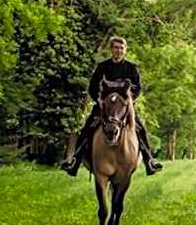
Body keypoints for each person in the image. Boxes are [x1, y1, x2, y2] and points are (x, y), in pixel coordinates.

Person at [59, 37, 163, 177]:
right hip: (104, 106)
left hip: (124, 108)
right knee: (87, 128)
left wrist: (129, 100)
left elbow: (138, 88)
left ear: (125, 50)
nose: (119, 51)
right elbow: (92, 87)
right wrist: (99, 100)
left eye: (121, 48)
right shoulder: (102, 67)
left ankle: (149, 161)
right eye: (116, 48)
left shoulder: (132, 68)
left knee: (141, 129)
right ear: (111, 49)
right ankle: (74, 161)